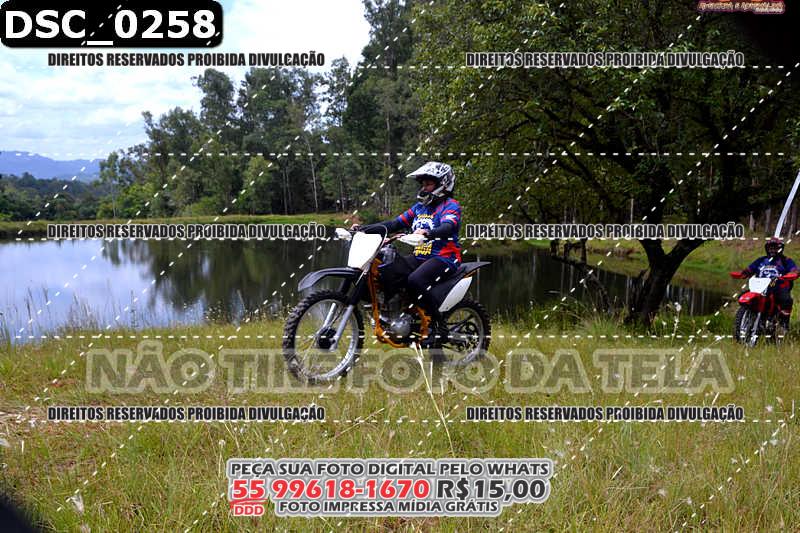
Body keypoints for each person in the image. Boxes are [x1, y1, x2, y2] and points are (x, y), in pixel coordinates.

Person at [352, 162, 461, 348]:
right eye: (423, 184)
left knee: (415, 280)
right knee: (389, 272)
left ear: (443, 184)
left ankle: (438, 326)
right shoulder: (419, 208)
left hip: (444, 257)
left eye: (428, 184)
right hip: (420, 257)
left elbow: (448, 226)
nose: (424, 188)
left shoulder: (450, 205)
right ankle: (402, 314)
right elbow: (394, 224)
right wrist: (363, 229)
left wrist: (428, 233)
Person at [737, 236, 798, 328]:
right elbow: (750, 269)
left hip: (778, 287)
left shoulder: (785, 260)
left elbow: (794, 269)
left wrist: (793, 273)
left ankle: (783, 324)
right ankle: (750, 317)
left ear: (780, 249)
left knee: (786, 300)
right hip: (760, 287)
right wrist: (743, 273)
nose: (772, 250)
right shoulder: (761, 260)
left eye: (775, 248)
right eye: (770, 248)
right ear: (767, 249)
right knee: (742, 295)